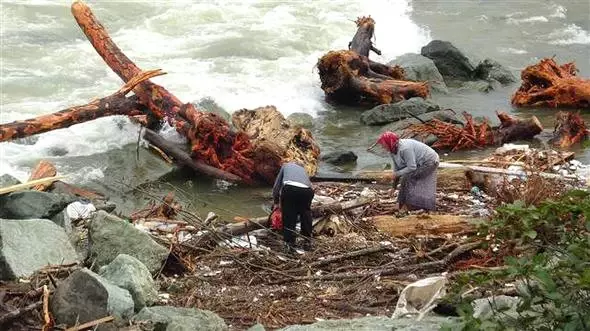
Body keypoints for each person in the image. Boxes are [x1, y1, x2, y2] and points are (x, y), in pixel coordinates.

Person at [370, 131, 440, 211]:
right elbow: (397, 169)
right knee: (406, 177)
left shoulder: (405, 148)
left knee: (408, 177)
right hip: (419, 163)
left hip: (430, 161)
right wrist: (394, 187)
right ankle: (400, 204)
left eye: (383, 144)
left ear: (390, 142)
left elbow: (412, 167)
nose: (383, 147)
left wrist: (395, 174)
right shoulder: (392, 150)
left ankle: (407, 206)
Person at [272, 162, 315, 253]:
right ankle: (307, 240)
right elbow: (310, 186)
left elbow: (277, 186)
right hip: (307, 191)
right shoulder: (303, 170)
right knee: (305, 214)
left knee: (289, 215)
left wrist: (276, 202)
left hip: (290, 188)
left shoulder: (285, 166)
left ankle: (289, 243)